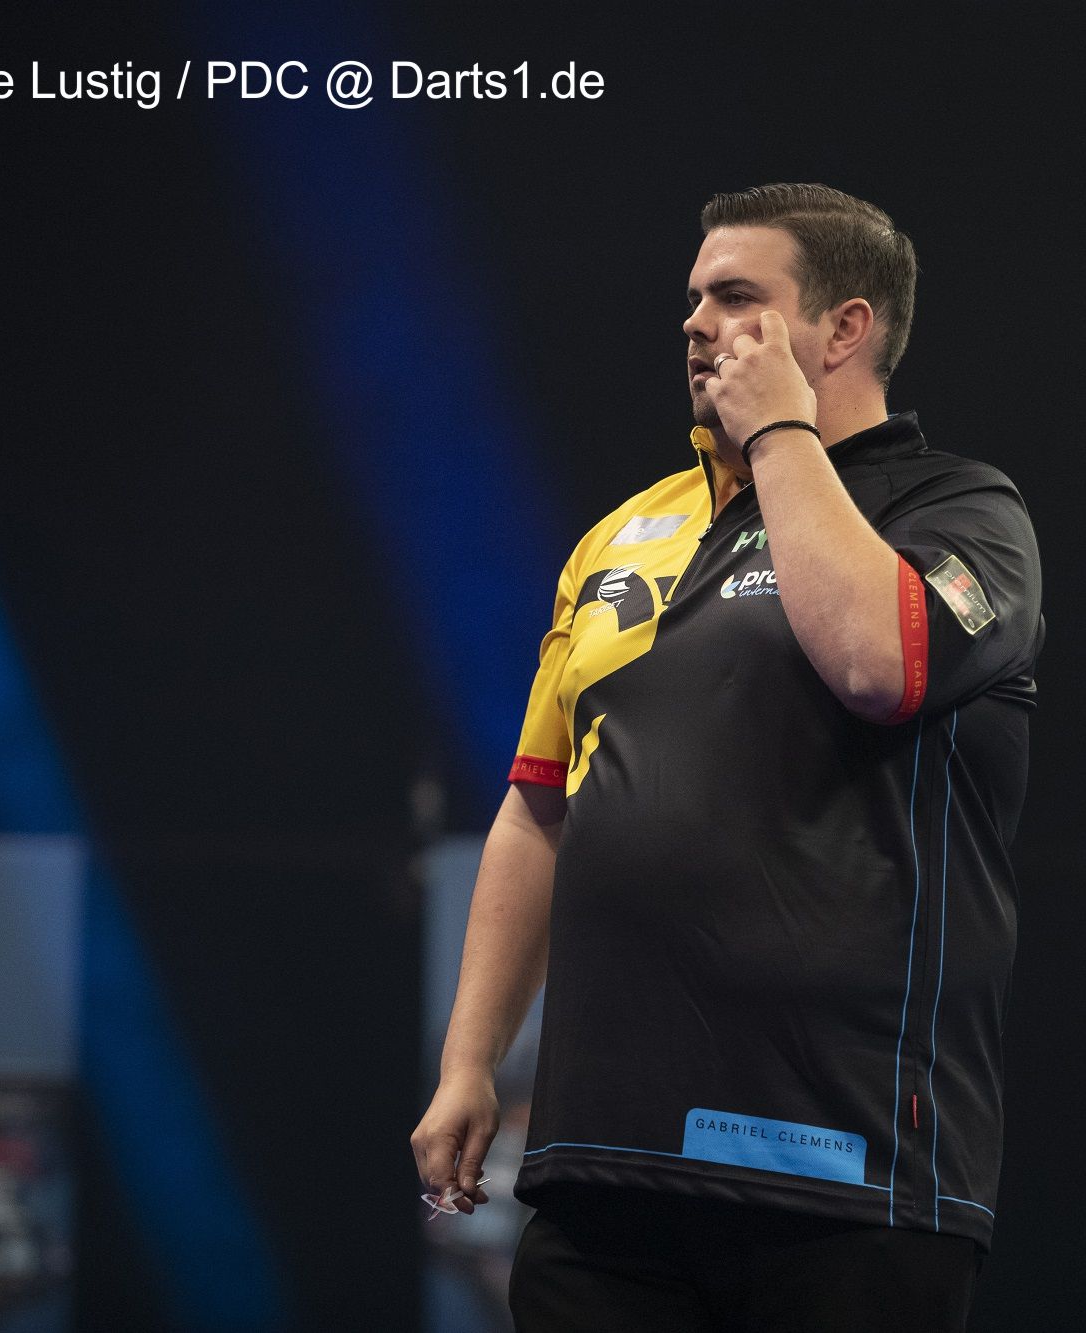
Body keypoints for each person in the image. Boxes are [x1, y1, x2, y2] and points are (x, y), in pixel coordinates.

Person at [411, 183, 1044, 1331]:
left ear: (842, 330)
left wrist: (781, 435)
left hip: (841, 1176)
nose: (695, 323)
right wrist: (468, 1064)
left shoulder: (959, 510)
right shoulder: (620, 535)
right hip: (602, 1171)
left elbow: (877, 665)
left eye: (737, 296)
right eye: (694, 297)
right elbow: (538, 810)